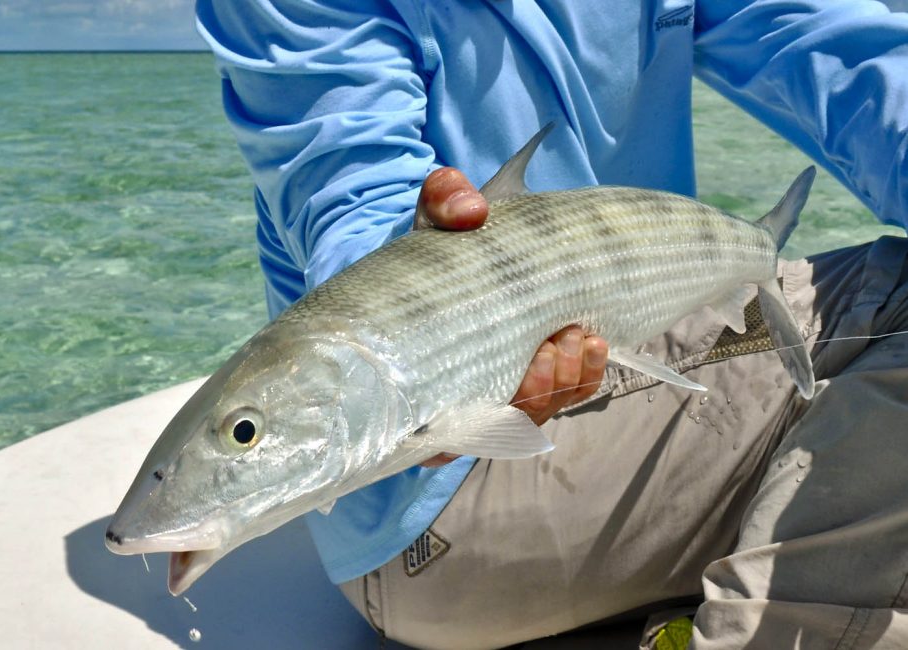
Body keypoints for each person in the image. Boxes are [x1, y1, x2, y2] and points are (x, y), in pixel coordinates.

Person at [195, 1, 908, 647]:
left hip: (615, 387)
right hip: (443, 506)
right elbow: (351, 197)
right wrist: (435, 372)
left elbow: (844, 60)